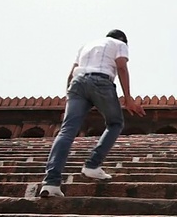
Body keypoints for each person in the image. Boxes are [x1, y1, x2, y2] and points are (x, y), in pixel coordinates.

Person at [39, 30, 146, 197]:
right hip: (100, 81)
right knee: (115, 123)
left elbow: (71, 73)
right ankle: (92, 165)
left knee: (66, 131)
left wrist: (69, 97)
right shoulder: (120, 44)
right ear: (123, 40)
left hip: (77, 83)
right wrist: (128, 98)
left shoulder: (86, 46)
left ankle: (50, 183)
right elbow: (121, 67)